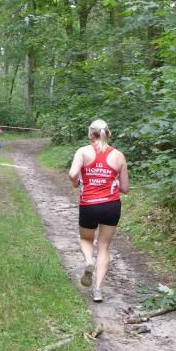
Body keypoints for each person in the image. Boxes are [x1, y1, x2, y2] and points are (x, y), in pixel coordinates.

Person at [68, 119, 129, 302]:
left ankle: (89, 261)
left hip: (89, 205)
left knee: (86, 239)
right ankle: (98, 290)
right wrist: (111, 182)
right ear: (108, 134)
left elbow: (72, 174)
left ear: (90, 134)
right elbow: (125, 188)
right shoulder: (118, 155)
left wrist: (77, 182)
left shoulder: (83, 152)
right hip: (111, 205)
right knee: (103, 246)